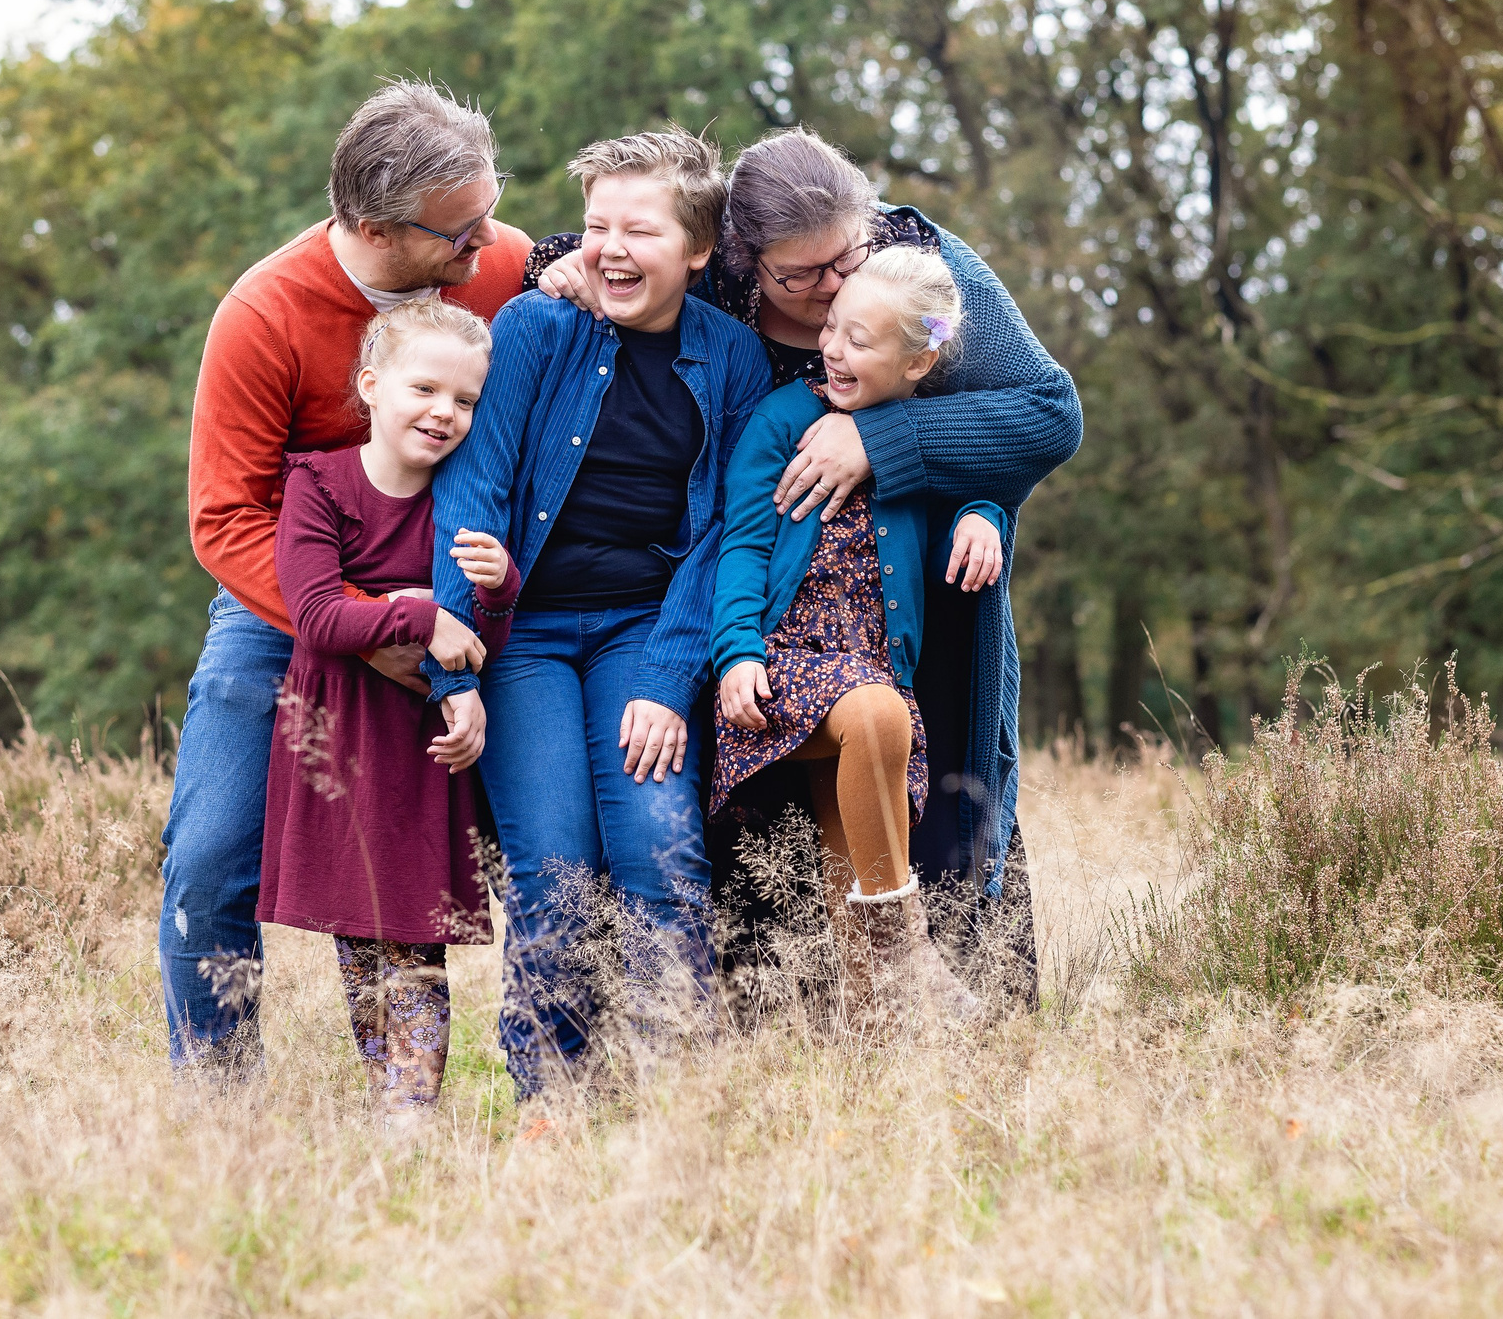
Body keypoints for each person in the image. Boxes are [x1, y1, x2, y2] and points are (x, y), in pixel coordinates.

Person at [529, 129, 1080, 1003]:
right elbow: (618, 243)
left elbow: (1045, 411)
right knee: (768, 901)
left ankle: (960, 1021)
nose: (831, 289)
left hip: (915, 619)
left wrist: (882, 439)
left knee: (940, 819)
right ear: (739, 258)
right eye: (801, 277)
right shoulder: (710, 282)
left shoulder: (921, 273)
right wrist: (557, 266)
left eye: (845, 259)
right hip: (757, 627)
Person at [163, 80, 532, 1069]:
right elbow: (226, 520)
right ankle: (215, 1106)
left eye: (490, 209)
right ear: (375, 228)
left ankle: (560, 1085)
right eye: (459, 230)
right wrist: (370, 628)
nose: (487, 241)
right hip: (292, 600)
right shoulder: (265, 314)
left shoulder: (506, 266)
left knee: (548, 842)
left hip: (470, 591)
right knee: (210, 855)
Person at [429, 128, 772, 1097]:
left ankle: (676, 1092)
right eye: (596, 226)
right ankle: (554, 1096)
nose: (611, 249)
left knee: (659, 851)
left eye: (640, 230)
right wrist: (452, 664)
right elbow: (473, 490)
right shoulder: (536, 328)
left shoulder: (733, 359)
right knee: (556, 869)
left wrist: (668, 679)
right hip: (524, 634)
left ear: (698, 248)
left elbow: (726, 532)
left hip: (644, 633)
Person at [710, 248, 1008, 1021]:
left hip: (875, 670)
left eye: (861, 340)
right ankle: (912, 951)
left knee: (856, 833)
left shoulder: (924, 434)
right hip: (782, 666)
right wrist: (736, 652)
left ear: (918, 362)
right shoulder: (784, 419)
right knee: (876, 715)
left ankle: (878, 1035)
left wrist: (984, 517)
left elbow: (978, 490)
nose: (834, 350)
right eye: (832, 329)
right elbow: (741, 544)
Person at [258, 296, 521, 1116]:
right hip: (343, 734)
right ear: (372, 386)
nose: (445, 413)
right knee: (360, 933)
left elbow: (481, 640)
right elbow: (317, 616)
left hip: (421, 742)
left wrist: (498, 588)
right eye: (425, 389)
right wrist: (419, 613)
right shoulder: (318, 484)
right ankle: (386, 1093)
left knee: (413, 930)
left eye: (465, 400)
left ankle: (411, 1112)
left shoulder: (464, 496)